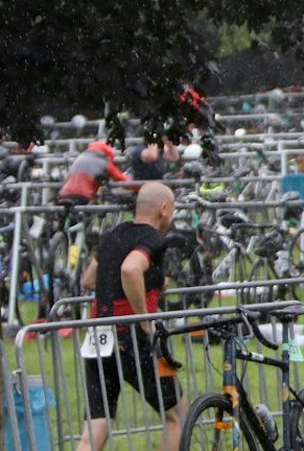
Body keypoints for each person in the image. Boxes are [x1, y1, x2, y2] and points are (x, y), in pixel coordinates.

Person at [77, 181, 184, 451]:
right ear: (163, 209)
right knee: (178, 416)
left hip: (98, 338)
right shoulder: (152, 239)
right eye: (172, 210)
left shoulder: (114, 234)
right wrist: (143, 318)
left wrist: (150, 282)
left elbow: (88, 280)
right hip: (132, 338)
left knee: (96, 428)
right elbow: (130, 269)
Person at [59, 141, 131, 204]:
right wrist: (137, 187)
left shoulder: (80, 157)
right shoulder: (104, 163)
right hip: (83, 194)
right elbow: (123, 180)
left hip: (64, 192)